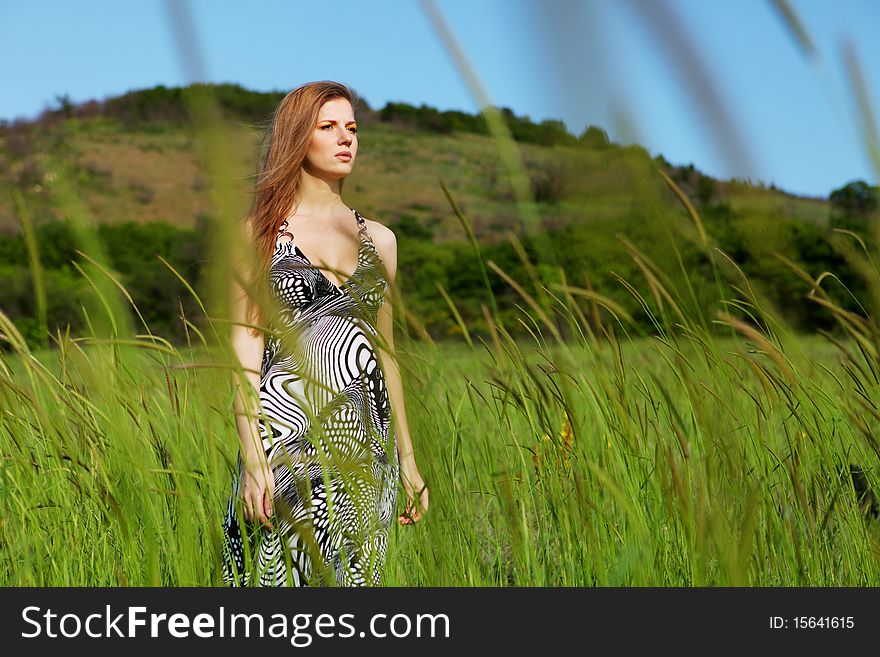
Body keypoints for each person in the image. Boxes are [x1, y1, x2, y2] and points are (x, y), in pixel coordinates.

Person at [220, 80, 429, 587]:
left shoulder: (380, 240)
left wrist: (408, 460)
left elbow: (387, 356)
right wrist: (252, 459)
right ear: (298, 138)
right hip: (283, 445)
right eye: (328, 127)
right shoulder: (257, 235)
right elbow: (243, 347)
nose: (346, 139)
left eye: (352, 128)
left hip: (364, 450)